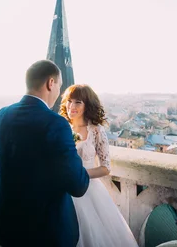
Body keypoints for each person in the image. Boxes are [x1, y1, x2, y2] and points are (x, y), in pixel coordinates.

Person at [0, 60, 90, 247]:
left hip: (6, 221)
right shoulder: (56, 124)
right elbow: (78, 185)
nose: (58, 92)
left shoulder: (2, 115)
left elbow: (2, 159)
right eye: (59, 85)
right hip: (44, 230)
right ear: (51, 83)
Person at [60, 84, 139, 247]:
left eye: (78, 102)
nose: (71, 106)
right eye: (69, 101)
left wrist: (80, 174)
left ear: (87, 105)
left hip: (88, 191)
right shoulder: (62, 128)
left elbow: (105, 167)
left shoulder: (96, 130)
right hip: (64, 190)